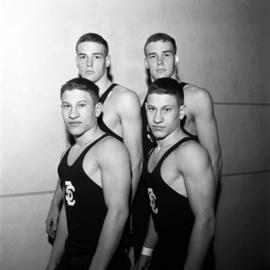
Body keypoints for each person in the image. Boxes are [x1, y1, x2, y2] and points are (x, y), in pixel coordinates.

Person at [132, 33, 222, 260]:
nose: (160, 62)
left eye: (166, 55)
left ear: (176, 58)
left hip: (184, 198)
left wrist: (203, 213)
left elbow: (213, 157)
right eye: (153, 56)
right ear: (146, 62)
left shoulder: (196, 96)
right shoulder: (143, 100)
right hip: (150, 197)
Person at [46, 33, 143, 239]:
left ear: (107, 61)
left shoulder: (124, 99)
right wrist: (56, 203)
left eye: (96, 57)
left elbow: (136, 161)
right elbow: (73, 158)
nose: (89, 64)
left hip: (111, 204)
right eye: (83, 57)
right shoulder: (76, 100)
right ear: (76, 61)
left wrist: (123, 215)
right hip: (81, 204)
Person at [45, 78, 131, 270]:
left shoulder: (110, 148)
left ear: (97, 109)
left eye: (81, 105)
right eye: (66, 106)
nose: (72, 114)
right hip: (72, 256)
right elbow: (70, 208)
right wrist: (53, 262)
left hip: (103, 260)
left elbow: (118, 213)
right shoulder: (67, 154)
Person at [134, 77, 216, 270]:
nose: (157, 118)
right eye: (151, 109)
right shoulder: (153, 152)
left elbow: (206, 221)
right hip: (164, 252)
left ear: (180, 113)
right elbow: (158, 209)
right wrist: (146, 250)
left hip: (190, 256)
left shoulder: (190, 153)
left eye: (167, 110)